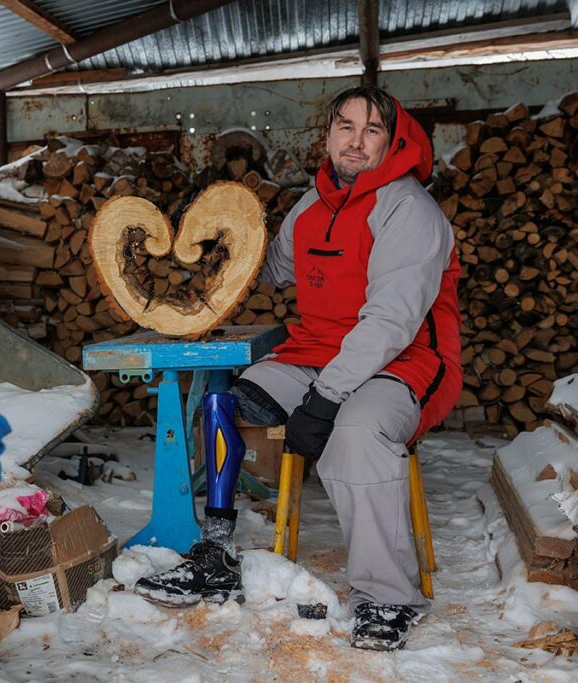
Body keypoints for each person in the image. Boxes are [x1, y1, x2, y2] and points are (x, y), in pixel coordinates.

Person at [135, 85, 462, 652]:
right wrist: (217, 249)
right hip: (315, 354)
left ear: (393, 140)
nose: (356, 142)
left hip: (406, 360)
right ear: (328, 136)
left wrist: (328, 398)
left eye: (372, 130)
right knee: (223, 408)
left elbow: (390, 322)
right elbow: (270, 271)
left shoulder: (409, 209)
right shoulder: (311, 208)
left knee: (355, 434)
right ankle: (214, 551)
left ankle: (387, 595)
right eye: (345, 127)